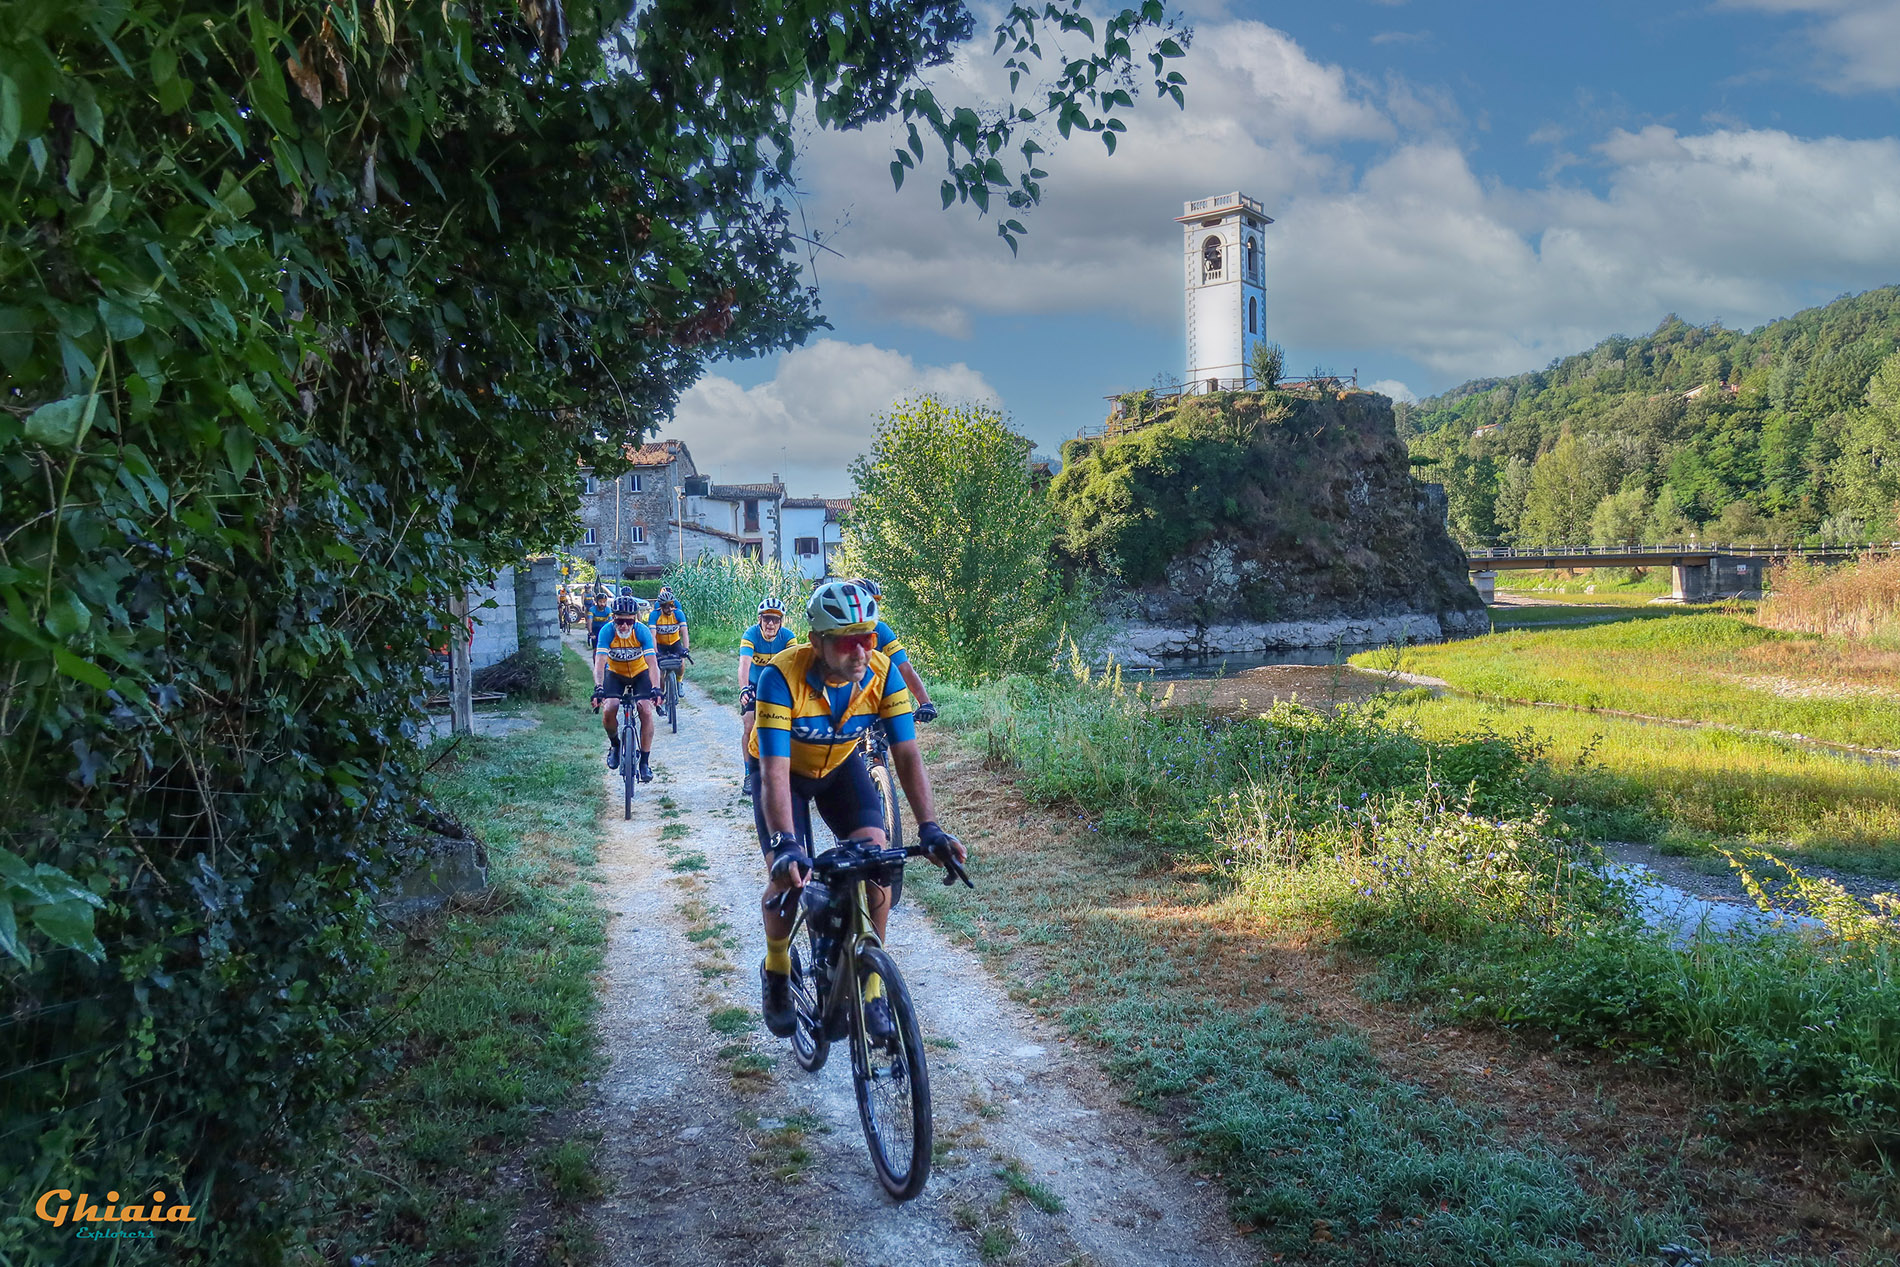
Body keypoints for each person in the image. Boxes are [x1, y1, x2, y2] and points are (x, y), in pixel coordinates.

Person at [750, 580, 966, 1040]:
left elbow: (907, 756)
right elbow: (772, 772)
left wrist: (930, 827)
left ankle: (870, 988)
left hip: (839, 770)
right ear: (817, 642)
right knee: (788, 876)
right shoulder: (779, 676)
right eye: (847, 642)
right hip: (784, 775)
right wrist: (786, 845)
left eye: (867, 638)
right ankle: (777, 969)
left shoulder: (884, 673)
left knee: (877, 861)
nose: (861, 652)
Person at [851, 578, 938, 724]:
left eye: (874, 604)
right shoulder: (834, 633)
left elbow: (904, 667)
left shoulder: (881, 630)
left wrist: (925, 703)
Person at [591, 595, 659, 781]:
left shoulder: (642, 631)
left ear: (634, 619)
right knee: (610, 708)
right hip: (615, 674)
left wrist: (656, 688)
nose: (624, 626)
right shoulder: (607, 632)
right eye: (619, 620)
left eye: (628, 621)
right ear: (613, 619)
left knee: (645, 710)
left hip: (640, 673)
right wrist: (598, 687)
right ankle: (615, 745)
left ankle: (644, 762)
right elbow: (600, 663)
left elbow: (652, 664)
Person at [737, 596, 796, 797]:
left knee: (791, 726)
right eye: (767, 619)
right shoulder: (751, 634)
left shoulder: (788, 637)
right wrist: (744, 689)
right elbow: (744, 664)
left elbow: (793, 667)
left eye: (776, 619)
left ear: (781, 622)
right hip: (754, 685)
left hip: (778, 686)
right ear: (759, 620)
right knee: (748, 725)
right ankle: (748, 774)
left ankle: (790, 773)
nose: (771, 623)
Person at [646, 586, 691, 680]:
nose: (670, 609)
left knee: (681, 663)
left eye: (672, 605)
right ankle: (662, 692)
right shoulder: (655, 615)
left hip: (675, 642)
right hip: (660, 644)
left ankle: (679, 681)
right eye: (667, 606)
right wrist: (655, 651)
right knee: (659, 673)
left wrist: (686, 649)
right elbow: (652, 636)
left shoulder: (678, 613)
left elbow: (684, 633)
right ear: (661, 606)